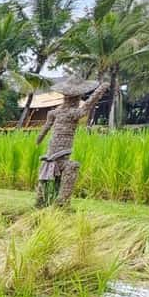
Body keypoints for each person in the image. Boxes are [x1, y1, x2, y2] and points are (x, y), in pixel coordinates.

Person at [35, 78, 109, 208]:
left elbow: (46, 128)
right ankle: (61, 203)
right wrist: (101, 89)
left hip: (54, 152)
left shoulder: (55, 112)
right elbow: (88, 105)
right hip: (58, 154)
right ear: (77, 97)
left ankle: (44, 201)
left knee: (53, 173)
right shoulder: (70, 113)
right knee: (71, 167)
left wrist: (39, 139)